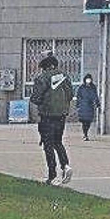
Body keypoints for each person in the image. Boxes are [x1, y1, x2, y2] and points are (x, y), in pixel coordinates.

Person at [29, 55, 74, 185]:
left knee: (48, 145)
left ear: (46, 67)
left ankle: (52, 175)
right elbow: (70, 95)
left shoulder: (42, 78)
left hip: (47, 115)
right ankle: (65, 166)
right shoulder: (65, 77)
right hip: (61, 115)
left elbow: (36, 98)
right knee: (58, 142)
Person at [75, 73, 101, 141]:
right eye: (87, 79)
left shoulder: (93, 87)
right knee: (84, 122)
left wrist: (97, 103)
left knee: (89, 122)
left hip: (90, 107)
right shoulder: (81, 87)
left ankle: (86, 133)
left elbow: (95, 96)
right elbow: (78, 96)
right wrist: (78, 105)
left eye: (89, 79)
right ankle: (85, 134)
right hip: (83, 106)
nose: (88, 80)